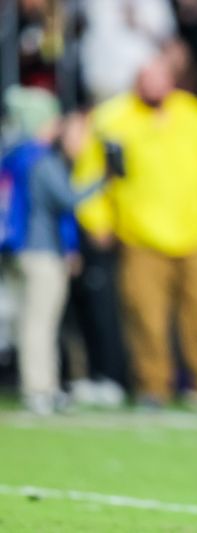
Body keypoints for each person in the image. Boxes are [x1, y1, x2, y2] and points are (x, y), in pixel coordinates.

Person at [72, 54, 197, 408]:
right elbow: (90, 174)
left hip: (195, 233)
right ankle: (153, 387)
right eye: (147, 77)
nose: (154, 83)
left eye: (161, 76)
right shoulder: (113, 118)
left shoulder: (195, 115)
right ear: (136, 79)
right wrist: (97, 221)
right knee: (146, 317)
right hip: (140, 235)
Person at [1, 87, 106, 414]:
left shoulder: (15, 155)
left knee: (31, 321)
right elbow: (67, 201)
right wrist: (104, 180)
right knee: (40, 323)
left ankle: (44, 385)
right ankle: (39, 388)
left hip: (19, 248)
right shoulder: (39, 159)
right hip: (41, 250)